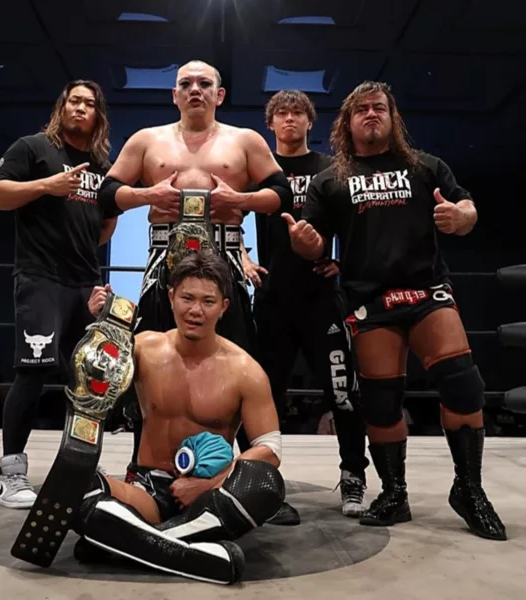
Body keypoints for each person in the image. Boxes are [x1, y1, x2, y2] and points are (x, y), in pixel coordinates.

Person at [285, 81, 506, 540]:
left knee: (463, 384)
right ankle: (394, 493)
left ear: (392, 117)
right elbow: (313, 243)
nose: (371, 114)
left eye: (379, 108)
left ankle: (469, 488)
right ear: (348, 122)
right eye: (361, 109)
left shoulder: (426, 167)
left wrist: (463, 217)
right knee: (381, 402)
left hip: (426, 291)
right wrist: (304, 243)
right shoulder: (331, 180)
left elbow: (465, 205)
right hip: (370, 300)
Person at [96, 60, 296, 521]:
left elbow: (282, 193)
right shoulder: (147, 140)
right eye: (185, 83)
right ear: (174, 94)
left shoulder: (244, 141)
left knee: (237, 361)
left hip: (223, 262)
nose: (195, 90)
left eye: (205, 84)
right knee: (150, 369)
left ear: (219, 95)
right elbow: (108, 193)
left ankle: (246, 479)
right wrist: (147, 196)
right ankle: (144, 473)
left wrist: (240, 201)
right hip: (163, 265)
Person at [80, 251, 285, 584]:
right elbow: (89, 384)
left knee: (266, 481)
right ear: (171, 296)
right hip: (147, 491)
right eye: (188, 298)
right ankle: (184, 553)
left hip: (212, 497)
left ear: (224, 307)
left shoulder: (245, 371)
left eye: (208, 301)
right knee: (73, 482)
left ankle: (123, 540)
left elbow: (269, 449)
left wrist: (206, 485)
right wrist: (98, 331)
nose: (196, 310)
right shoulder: (143, 348)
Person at [0, 80, 120, 509]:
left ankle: (77, 468)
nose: (80, 108)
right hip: (41, 277)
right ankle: (10, 472)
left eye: (89, 104)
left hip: (85, 281)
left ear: (97, 116)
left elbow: (106, 221)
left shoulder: (100, 165)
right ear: (62, 107)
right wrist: (46, 186)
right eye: (74, 101)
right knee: (33, 370)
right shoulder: (33, 148)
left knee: (87, 377)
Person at [240, 90, 369, 518]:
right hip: (272, 301)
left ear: (310, 122)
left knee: (342, 392)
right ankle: (260, 482)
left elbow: (360, 224)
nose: (290, 119)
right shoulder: (260, 170)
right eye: (282, 113)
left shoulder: (330, 169)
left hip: (320, 299)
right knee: (261, 396)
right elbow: (227, 216)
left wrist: (343, 262)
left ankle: (353, 476)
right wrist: (243, 258)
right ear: (270, 123)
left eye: (298, 112)